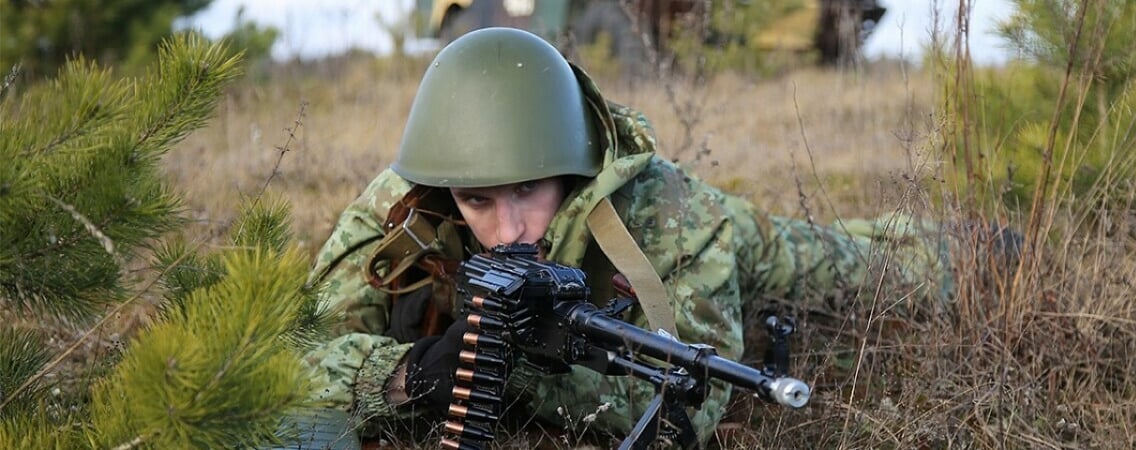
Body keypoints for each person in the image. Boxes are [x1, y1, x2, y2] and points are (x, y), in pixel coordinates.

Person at [295, 27, 957, 448]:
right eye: (479, 201)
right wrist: (406, 372)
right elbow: (294, 358)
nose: (510, 229)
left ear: (574, 171)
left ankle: (970, 246)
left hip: (754, 246)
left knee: (878, 269)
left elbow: (684, 414)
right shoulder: (406, 203)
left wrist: (520, 371)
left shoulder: (676, 216)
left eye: (531, 188)